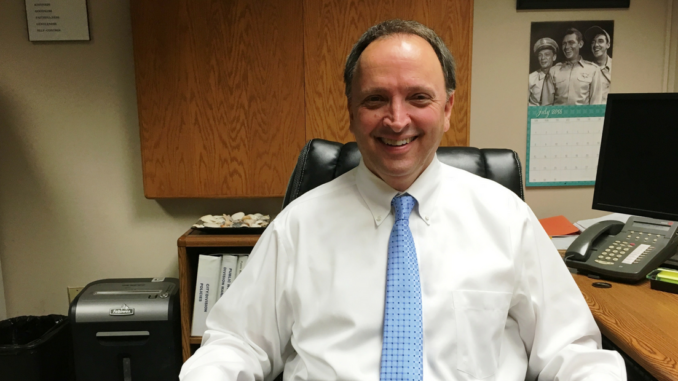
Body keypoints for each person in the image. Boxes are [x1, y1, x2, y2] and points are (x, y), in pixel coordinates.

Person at [179, 20, 626, 380]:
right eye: (376, 99)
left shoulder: (507, 219)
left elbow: (570, 352)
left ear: (448, 109)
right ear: (352, 110)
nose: (397, 120)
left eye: (418, 98)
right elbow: (237, 343)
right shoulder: (297, 226)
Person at [542, 28, 604, 105]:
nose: (567, 47)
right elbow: (545, 106)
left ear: (580, 44)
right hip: (558, 117)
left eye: (571, 42)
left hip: (583, 117)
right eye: (564, 43)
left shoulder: (593, 70)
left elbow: (596, 105)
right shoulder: (553, 71)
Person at [585, 26, 612, 102]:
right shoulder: (586, 69)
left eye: (600, 41)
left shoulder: (617, 66)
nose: (596, 45)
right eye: (593, 42)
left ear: (608, 45)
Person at [528, 37, 558, 106]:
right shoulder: (530, 78)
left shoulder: (560, 76)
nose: (543, 58)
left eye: (547, 54)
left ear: (554, 57)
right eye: (540, 55)